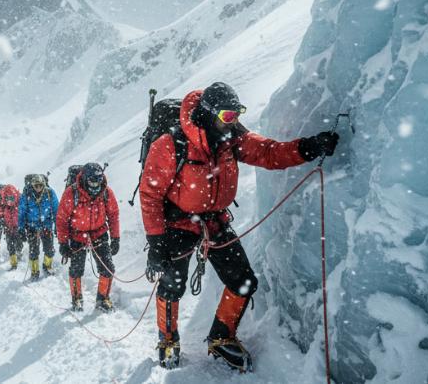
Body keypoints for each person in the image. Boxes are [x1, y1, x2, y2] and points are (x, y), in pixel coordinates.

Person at [139, 82, 339, 371]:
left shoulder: (231, 137)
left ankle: (221, 337)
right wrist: (157, 243)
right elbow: (150, 194)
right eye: (227, 116)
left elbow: (268, 153)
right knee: (172, 285)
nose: (232, 122)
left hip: (214, 220)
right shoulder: (171, 144)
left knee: (244, 281)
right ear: (208, 114)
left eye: (236, 115)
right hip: (178, 221)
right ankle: (168, 339)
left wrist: (308, 148)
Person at [56, 163, 120, 312]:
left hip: (99, 233)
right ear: (84, 179)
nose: (95, 185)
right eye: (92, 181)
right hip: (77, 235)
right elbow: (62, 219)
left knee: (108, 268)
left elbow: (113, 215)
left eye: (98, 180)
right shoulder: (72, 193)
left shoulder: (106, 192)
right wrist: (63, 242)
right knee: (76, 269)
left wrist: (115, 238)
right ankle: (77, 298)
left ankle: (102, 299)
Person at [18, 174, 59, 280]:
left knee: (49, 249)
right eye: (36, 186)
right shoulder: (27, 194)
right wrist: (21, 228)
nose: (38, 188)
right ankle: (34, 271)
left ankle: (47, 266)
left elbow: (56, 211)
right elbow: (21, 212)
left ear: (44, 184)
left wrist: (57, 226)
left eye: (40, 185)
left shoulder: (50, 193)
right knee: (33, 251)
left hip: (47, 225)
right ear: (32, 185)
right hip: (32, 227)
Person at [0, 184, 22, 269]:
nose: (9, 201)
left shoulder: (19, 203)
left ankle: (19, 252)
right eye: (7, 199)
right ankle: (13, 263)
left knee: (19, 243)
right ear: (5, 198)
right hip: (8, 228)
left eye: (11, 199)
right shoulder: (3, 205)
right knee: (10, 245)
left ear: (15, 197)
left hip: (18, 228)